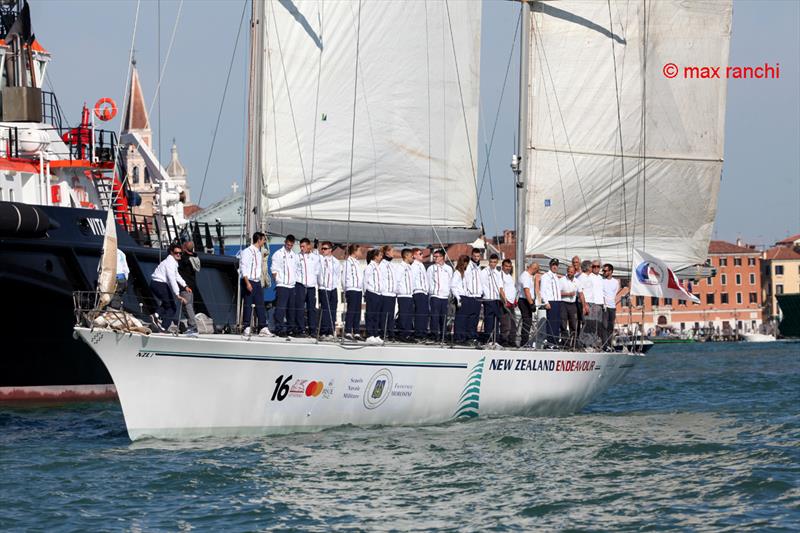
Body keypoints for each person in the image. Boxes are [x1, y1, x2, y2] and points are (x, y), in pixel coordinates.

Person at [150, 243, 190, 332]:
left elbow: (177, 276)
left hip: (158, 284)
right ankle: (163, 327)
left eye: (180, 253)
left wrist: (185, 285)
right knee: (172, 307)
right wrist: (177, 294)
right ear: (171, 253)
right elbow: (171, 278)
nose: (179, 254)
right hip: (159, 284)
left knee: (168, 304)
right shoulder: (170, 263)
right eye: (176, 253)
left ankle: (156, 316)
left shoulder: (173, 262)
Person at [239, 232, 271, 336]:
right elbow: (244, 268)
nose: (264, 242)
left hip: (257, 281)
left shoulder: (258, 252)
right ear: (259, 240)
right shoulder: (247, 252)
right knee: (248, 304)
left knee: (260, 304)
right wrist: (247, 283)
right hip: (249, 281)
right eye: (263, 240)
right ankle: (246, 327)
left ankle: (263, 327)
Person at [271, 234, 298, 336]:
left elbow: (296, 269)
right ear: (285, 243)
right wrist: (278, 280)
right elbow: (273, 269)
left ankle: (290, 328)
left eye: (291, 245)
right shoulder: (278, 254)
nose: (289, 247)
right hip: (282, 285)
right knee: (280, 308)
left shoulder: (294, 256)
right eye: (288, 245)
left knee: (291, 309)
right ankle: (279, 328)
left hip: (291, 285)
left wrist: (293, 280)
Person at [295, 237, 320, 336]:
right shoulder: (297, 257)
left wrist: (313, 280)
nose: (301, 248)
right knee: (300, 308)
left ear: (309, 246)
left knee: (311, 309)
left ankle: (312, 330)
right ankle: (301, 329)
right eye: (300, 246)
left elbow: (317, 270)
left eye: (303, 246)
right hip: (300, 284)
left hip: (311, 286)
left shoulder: (315, 257)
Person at [317, 241, 341, 339]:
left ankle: (331, 331)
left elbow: (337, 274)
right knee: (325, 310)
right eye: (322, 248)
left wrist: (334, 284)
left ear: (330, 250)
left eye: (325, 248)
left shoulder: (336, 261)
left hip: (333, 288)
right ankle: (323, 331)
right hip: (324, 288)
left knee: (333, 310)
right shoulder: (320, 259)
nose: (323, 250)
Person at [427, 249, 452, 341]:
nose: (435, 258)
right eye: (434, 256)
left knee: (444, 317)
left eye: (437, 256)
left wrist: (449, 293)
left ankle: (443, 335)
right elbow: (428, 281)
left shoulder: (448, 269)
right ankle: (434, 335)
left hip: (445, 296)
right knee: (434, 317)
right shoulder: (431, 268)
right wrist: (431, 292)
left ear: (443, 257)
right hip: (435, 296)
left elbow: (450, 282)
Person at [601, 263, 628, 348]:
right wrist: (604, 303)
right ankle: (605, 345)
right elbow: (601, 293)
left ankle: (609, 344)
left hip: (613, 307)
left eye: (605, 271)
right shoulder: (602, 281)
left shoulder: (616, 282)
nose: (603, 272)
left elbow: (615, 293)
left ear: (611, 271)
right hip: (604, 306)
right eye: (603, 270)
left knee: (610, 327)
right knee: (604, 326)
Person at [480, 254, 504, 344]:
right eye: (491, 262)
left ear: (497, 262)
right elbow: (481, 285)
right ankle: (487, 340)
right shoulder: (484, 272)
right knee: (489, 320)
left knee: (496, 320)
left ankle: (496, 339)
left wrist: (504, 300)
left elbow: (500, 288)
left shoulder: (498, 273)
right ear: (488, 262)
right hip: (488, 299)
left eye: (494, 262)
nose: (492, 264)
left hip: (496, 300)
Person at [177, 240, 200, 335]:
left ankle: (193, 326)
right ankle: (191, 326)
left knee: (187, 306)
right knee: (189, 305)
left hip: (185, 286)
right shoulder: (195, 257)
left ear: (185, 248)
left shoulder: (184, 259)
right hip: (192, 285)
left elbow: (178, 264)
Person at [343, 244, 364, 340]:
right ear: (354, 251)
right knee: (351, 310)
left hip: (358, 289)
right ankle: (348, 331)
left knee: (357, 311)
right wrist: (345, 289)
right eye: (359, 250)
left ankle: (356, 331)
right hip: (351, 289)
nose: (361, 252)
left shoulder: (357, 263)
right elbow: (344, 277)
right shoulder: (347, 262)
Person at [363, 248, 384, 344]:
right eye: (380, 255)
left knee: (377, 315)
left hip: (379, 293)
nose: (381, 257)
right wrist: (365, 292)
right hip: (371, 292)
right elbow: (365, 280)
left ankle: (376, 334)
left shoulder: (379, 267)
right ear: (375, 256)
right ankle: (369, 334)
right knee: (370, 314)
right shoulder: (370, 267)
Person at [540, 258, 562, 345]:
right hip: (551, 302)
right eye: (553, 265)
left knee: (557, 323)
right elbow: (542, 290)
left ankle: (555, 341)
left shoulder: (556, 277)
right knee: (551, 323)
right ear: (550, 266)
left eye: (556, 265)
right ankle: (550, 342)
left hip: (558, 301)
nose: (555, 267)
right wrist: (546, 302)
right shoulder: (545, 276)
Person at [450, 255, 471, 344]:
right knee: (460, 318)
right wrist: (458, 298)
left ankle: (463, 336)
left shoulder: (464, 273)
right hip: (460, 297)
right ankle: (458, 337)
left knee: (465, 318)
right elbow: (453, 286)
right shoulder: (457, 273)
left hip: (466, 296)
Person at [395, 249, 415, 342]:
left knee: (409, 316)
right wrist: (400, 291)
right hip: (403, 295)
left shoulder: (409, 267)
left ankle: (408, 333)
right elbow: (397, 281)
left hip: (410, 295)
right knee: (403, 315)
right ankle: (402, 334)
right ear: (406, 256)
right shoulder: (400, 267)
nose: (413, 258)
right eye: (411, 256)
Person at [463, 248, 483, 340]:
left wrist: (481, 292)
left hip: (478, 295)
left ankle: (474, 334)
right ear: (472, 255)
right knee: (470, 316)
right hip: (470, 295)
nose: (476, 258)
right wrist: (468, 290)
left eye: (478, 256)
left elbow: (480, 281)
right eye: (474, 256)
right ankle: (469, 335)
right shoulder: (468, 266)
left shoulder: (479, 267)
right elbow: (466, 280)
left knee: (476, 316)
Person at [378, 245, 397, 340]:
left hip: (392, 294)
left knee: (391, 315)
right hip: (385, 293)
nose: (394, 253)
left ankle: (391, 333)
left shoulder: (392, 265)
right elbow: (381, 279)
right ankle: (383, 333)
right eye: (392, 251)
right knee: (384, 315)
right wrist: (383, 290)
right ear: (387, 253)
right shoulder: (382, 264)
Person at [410, 247, 429, 340]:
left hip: (424, 292)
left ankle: (423, 331)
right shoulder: (414, 266)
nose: (422, 255)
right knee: (420, 313)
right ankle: (419, 333)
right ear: (414, 256)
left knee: (424, 313)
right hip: (418, 291)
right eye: (420, 254)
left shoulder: (421, 265)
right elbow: (412, 279)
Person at [517, 261, 537, 347]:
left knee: (528, 322)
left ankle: (525, 341)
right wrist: (531, 303)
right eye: (537, 270)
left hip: (527, 300)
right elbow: (526, 291)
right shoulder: (525, 276)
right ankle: (524, 342)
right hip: (524, 301)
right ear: (534, 268)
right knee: (527, 321)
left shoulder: (529, 276)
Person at [559, 265, 579, 347]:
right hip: (563, 303)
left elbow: (581, 293)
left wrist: (584, 305)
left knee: (573, 324)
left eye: (571, 272)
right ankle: (565, 343)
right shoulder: (562, 280)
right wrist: (568, 294)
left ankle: (573, 343)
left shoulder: (577, 281)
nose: (569, 273)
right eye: (568, 271)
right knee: (563, 324)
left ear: (574, 273)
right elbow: (558, 293)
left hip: (573, 304)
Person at [500, 259, 517, 346]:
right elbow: (501, 289)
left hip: (512, 303)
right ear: (502, 266)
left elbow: (512, 289)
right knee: (506, 324)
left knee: (513, 324)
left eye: (509, 266)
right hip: (505, 304)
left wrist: (514, 300)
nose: (508, 268)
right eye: (506, 266)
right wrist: (504, 300)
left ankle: (512, 341)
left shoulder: (509, 276)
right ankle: (504, 341)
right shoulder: (501, 275)